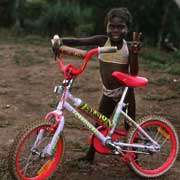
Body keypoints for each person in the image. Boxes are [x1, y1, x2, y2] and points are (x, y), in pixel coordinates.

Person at [61, 7, 142, 163]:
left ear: (127, 28)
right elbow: (79, 41)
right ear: (106, 26)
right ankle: (90, 155)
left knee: (129, 126)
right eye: (112, 26)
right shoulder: (101, 41)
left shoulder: (129, 46)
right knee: (99, 124)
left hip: (125, 92)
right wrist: (59, 40)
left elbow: (134, 73)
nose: (116, 30)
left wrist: (135, 54)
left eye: (120, 27)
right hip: (109, 92)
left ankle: (135, 158)